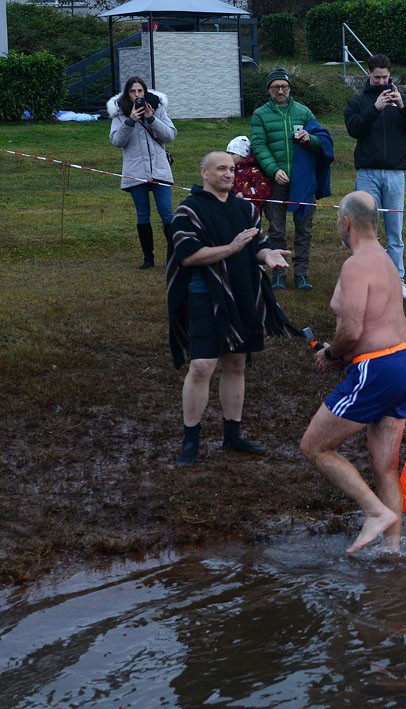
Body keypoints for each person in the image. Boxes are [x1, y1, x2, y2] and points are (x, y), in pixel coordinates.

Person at [300, 191, 406, 556]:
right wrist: (341, 354)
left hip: (377, 368)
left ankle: (374, 512)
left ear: (346, 222)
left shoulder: (355, 265)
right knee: (386, 468)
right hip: (405, 361)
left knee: (315, 446)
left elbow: (352, 330)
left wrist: (331, 354)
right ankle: (392, 552)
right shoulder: (385, 260)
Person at [167, 151, 300, 466]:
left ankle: (233, 434)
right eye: (221, 169)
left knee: (237, 363)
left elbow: (258, 245)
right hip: (204, 297)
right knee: (202, 366)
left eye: (232, 169)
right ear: (204, 172)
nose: (229, 174)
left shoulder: (245, 209)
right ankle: (190, 441)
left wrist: (268, 256)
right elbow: (188, 255)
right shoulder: (189, 210)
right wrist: (232, 247)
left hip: (242, 293)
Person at [345, 54, 406, 302]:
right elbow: (354, 129)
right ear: (369, 74)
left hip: (395, 174)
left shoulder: (401, 100)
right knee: (366, 230)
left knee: (395, 231)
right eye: (377, 77)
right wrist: (375, 108)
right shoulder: (358, 102)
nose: (381, 82)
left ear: (390, 75)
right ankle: (367, 280)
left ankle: (397, 280)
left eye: (385, 77)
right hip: (367, 173)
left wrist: (403, 105)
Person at [250, 67, 334, 291]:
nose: (280, 90)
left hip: (303, 183)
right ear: (269, 90)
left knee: (304, 230)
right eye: (276, 87)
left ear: (289, 89)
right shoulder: (260, 115)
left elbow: (321, 139)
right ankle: (279, 273)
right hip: (275, 182)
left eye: (284, 86)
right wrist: (273, 170)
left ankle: (302, 274)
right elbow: (259, 145)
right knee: (276, 229)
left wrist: (310, 139)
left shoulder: (303, 112)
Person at [108, 76, 176, 270]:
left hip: (159, 169)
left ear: (145, 92)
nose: (137, 95)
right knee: (143, 214)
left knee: (167, 213)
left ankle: (174, 257)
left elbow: (170, 135)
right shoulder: (120, 114)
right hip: (135, 171)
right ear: (127, 94)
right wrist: (130, 121)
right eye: (133, 91)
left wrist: (151, 119)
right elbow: (117, 141)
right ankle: (148, 258)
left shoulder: (157, 108)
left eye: (140, 91)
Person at [225, 135, 272, 204]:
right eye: (228, 153)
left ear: (243, 154)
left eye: (233, 153)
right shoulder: (231, 170)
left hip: (249, 207)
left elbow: (264, 189)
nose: (229, 156)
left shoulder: (253, 171)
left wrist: (245, 193)